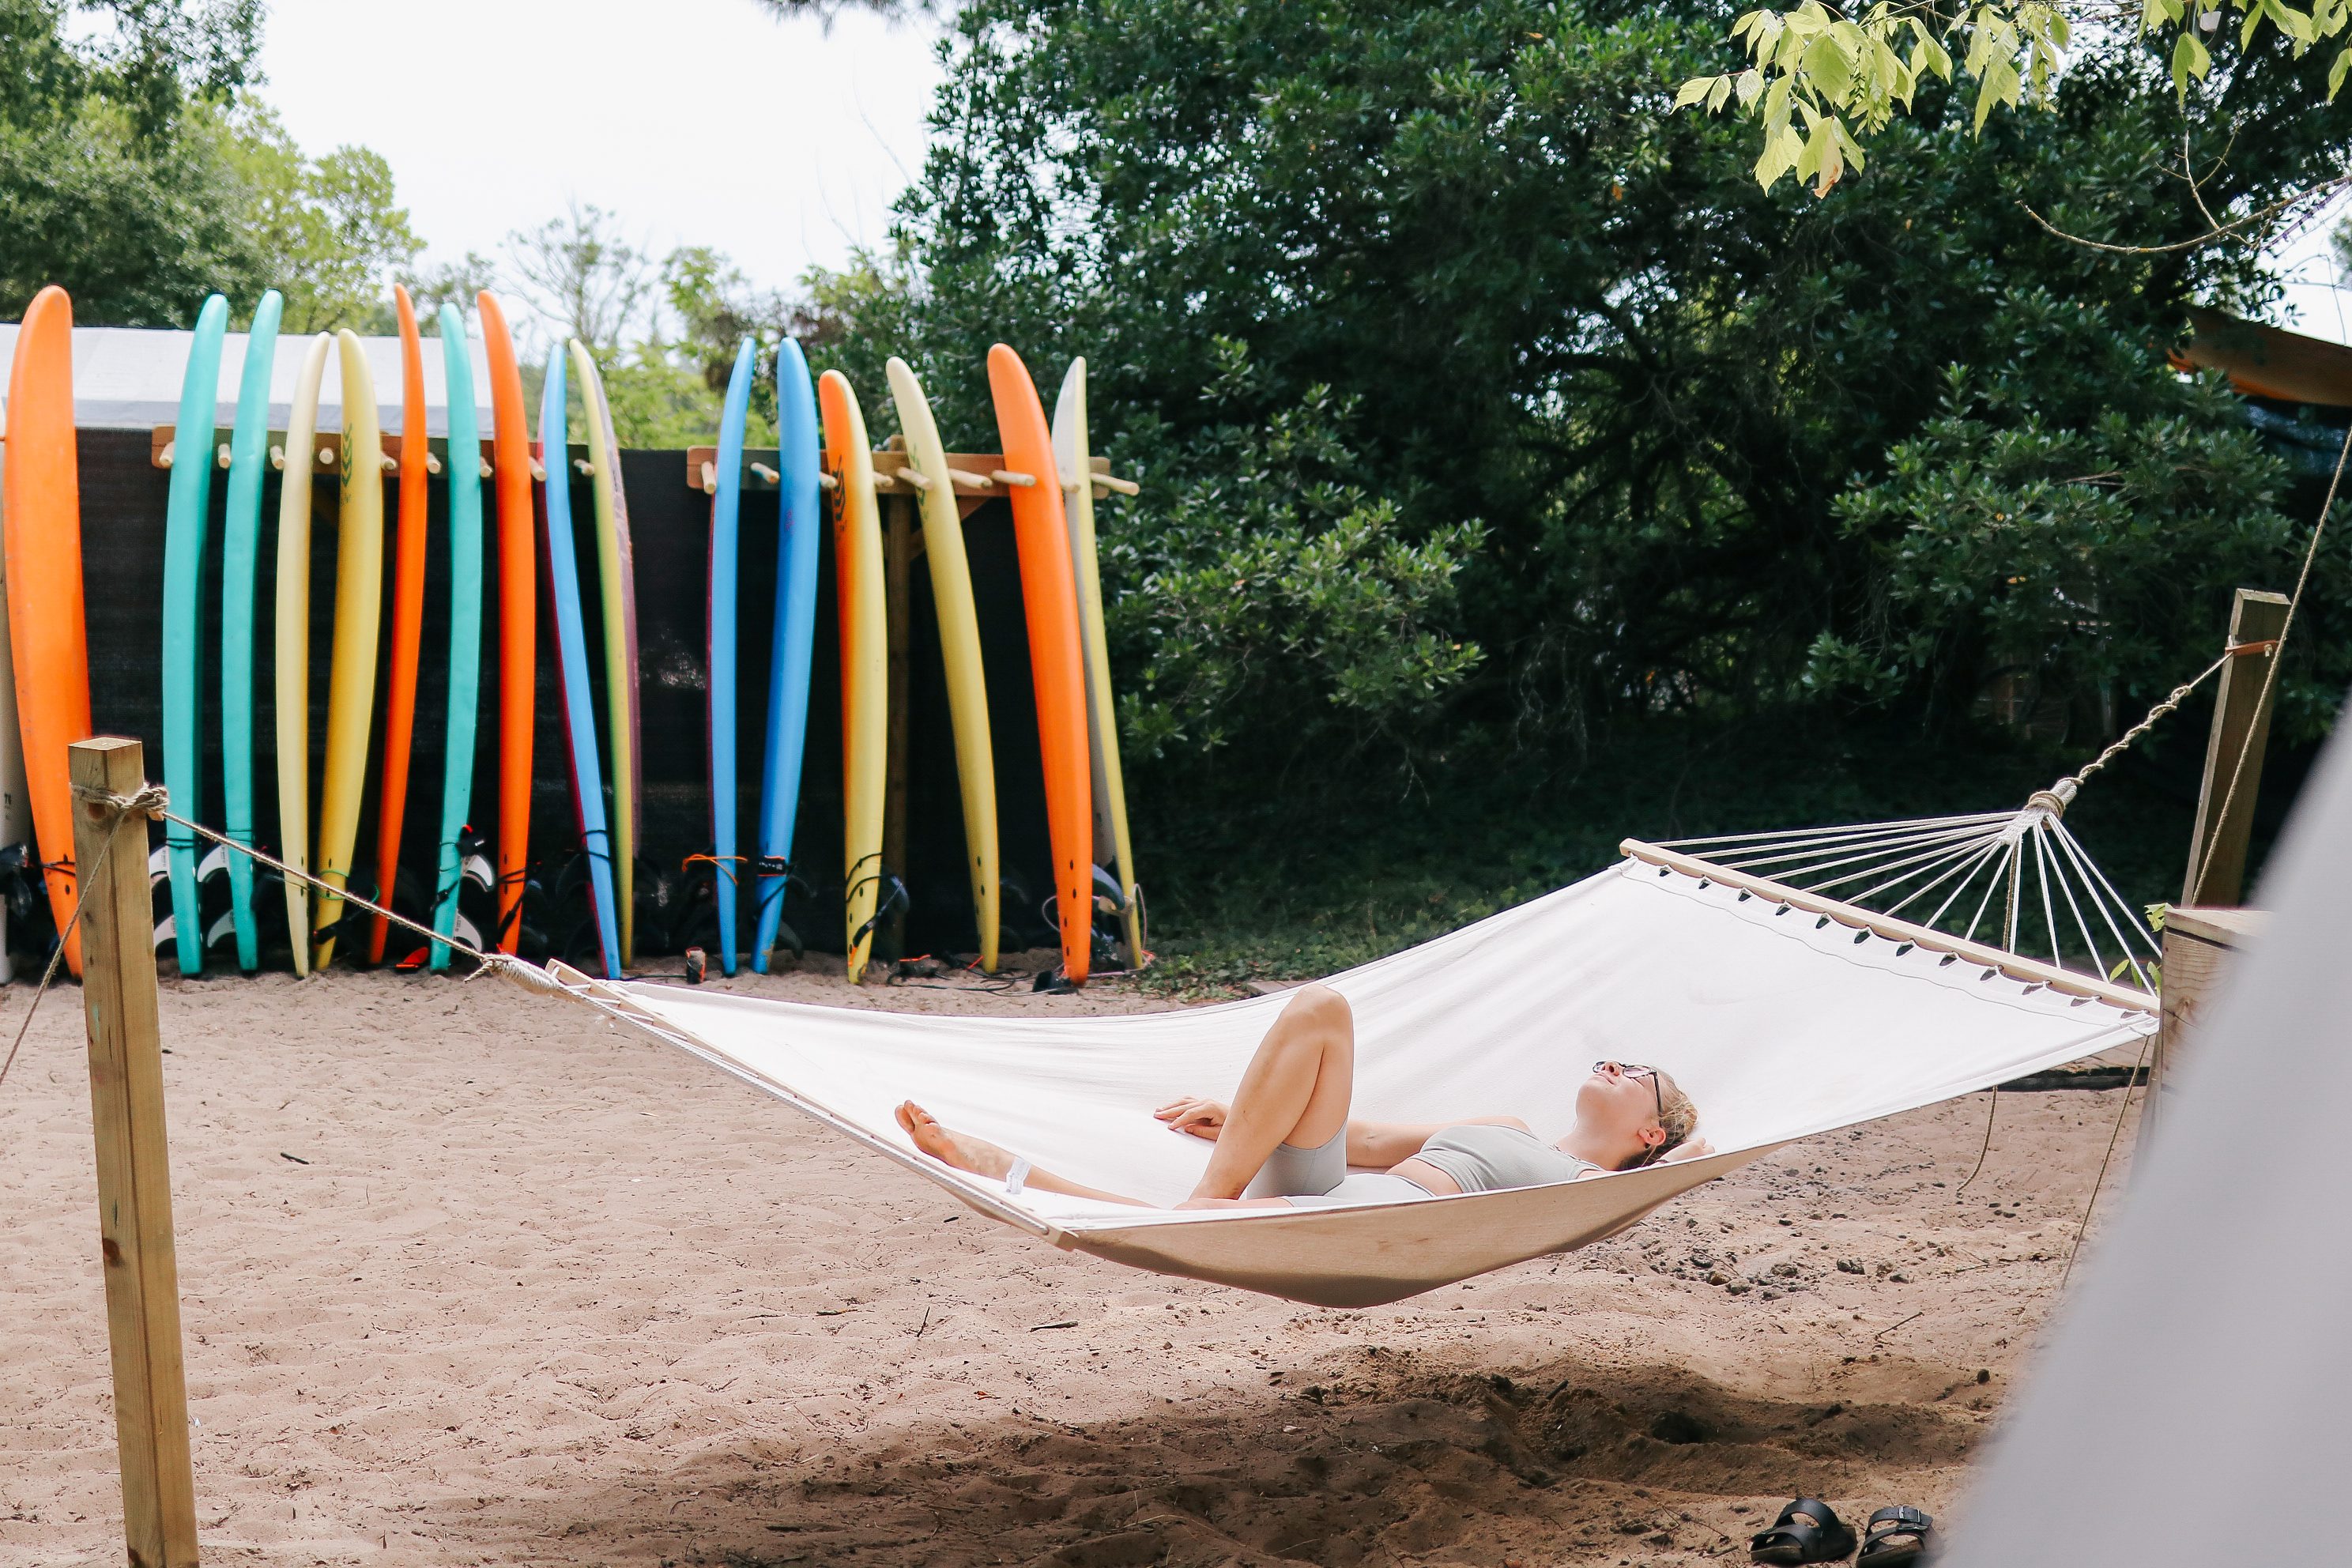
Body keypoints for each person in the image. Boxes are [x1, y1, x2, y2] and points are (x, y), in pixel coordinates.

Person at [895, 982, 1712, 1210]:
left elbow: (1702, 1157)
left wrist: (1692, 1141)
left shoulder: (1602, 1187)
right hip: (1342, 1182)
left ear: (1649, 1134)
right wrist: (1246, 1117)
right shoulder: (1508, 1123)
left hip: (1375, 1224)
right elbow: (1367, 1138)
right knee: (1321, 1007)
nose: (1613, 1064)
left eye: (1636, 1074)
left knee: (1182, 1222)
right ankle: (1210, 1198)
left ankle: (1006, 1165)